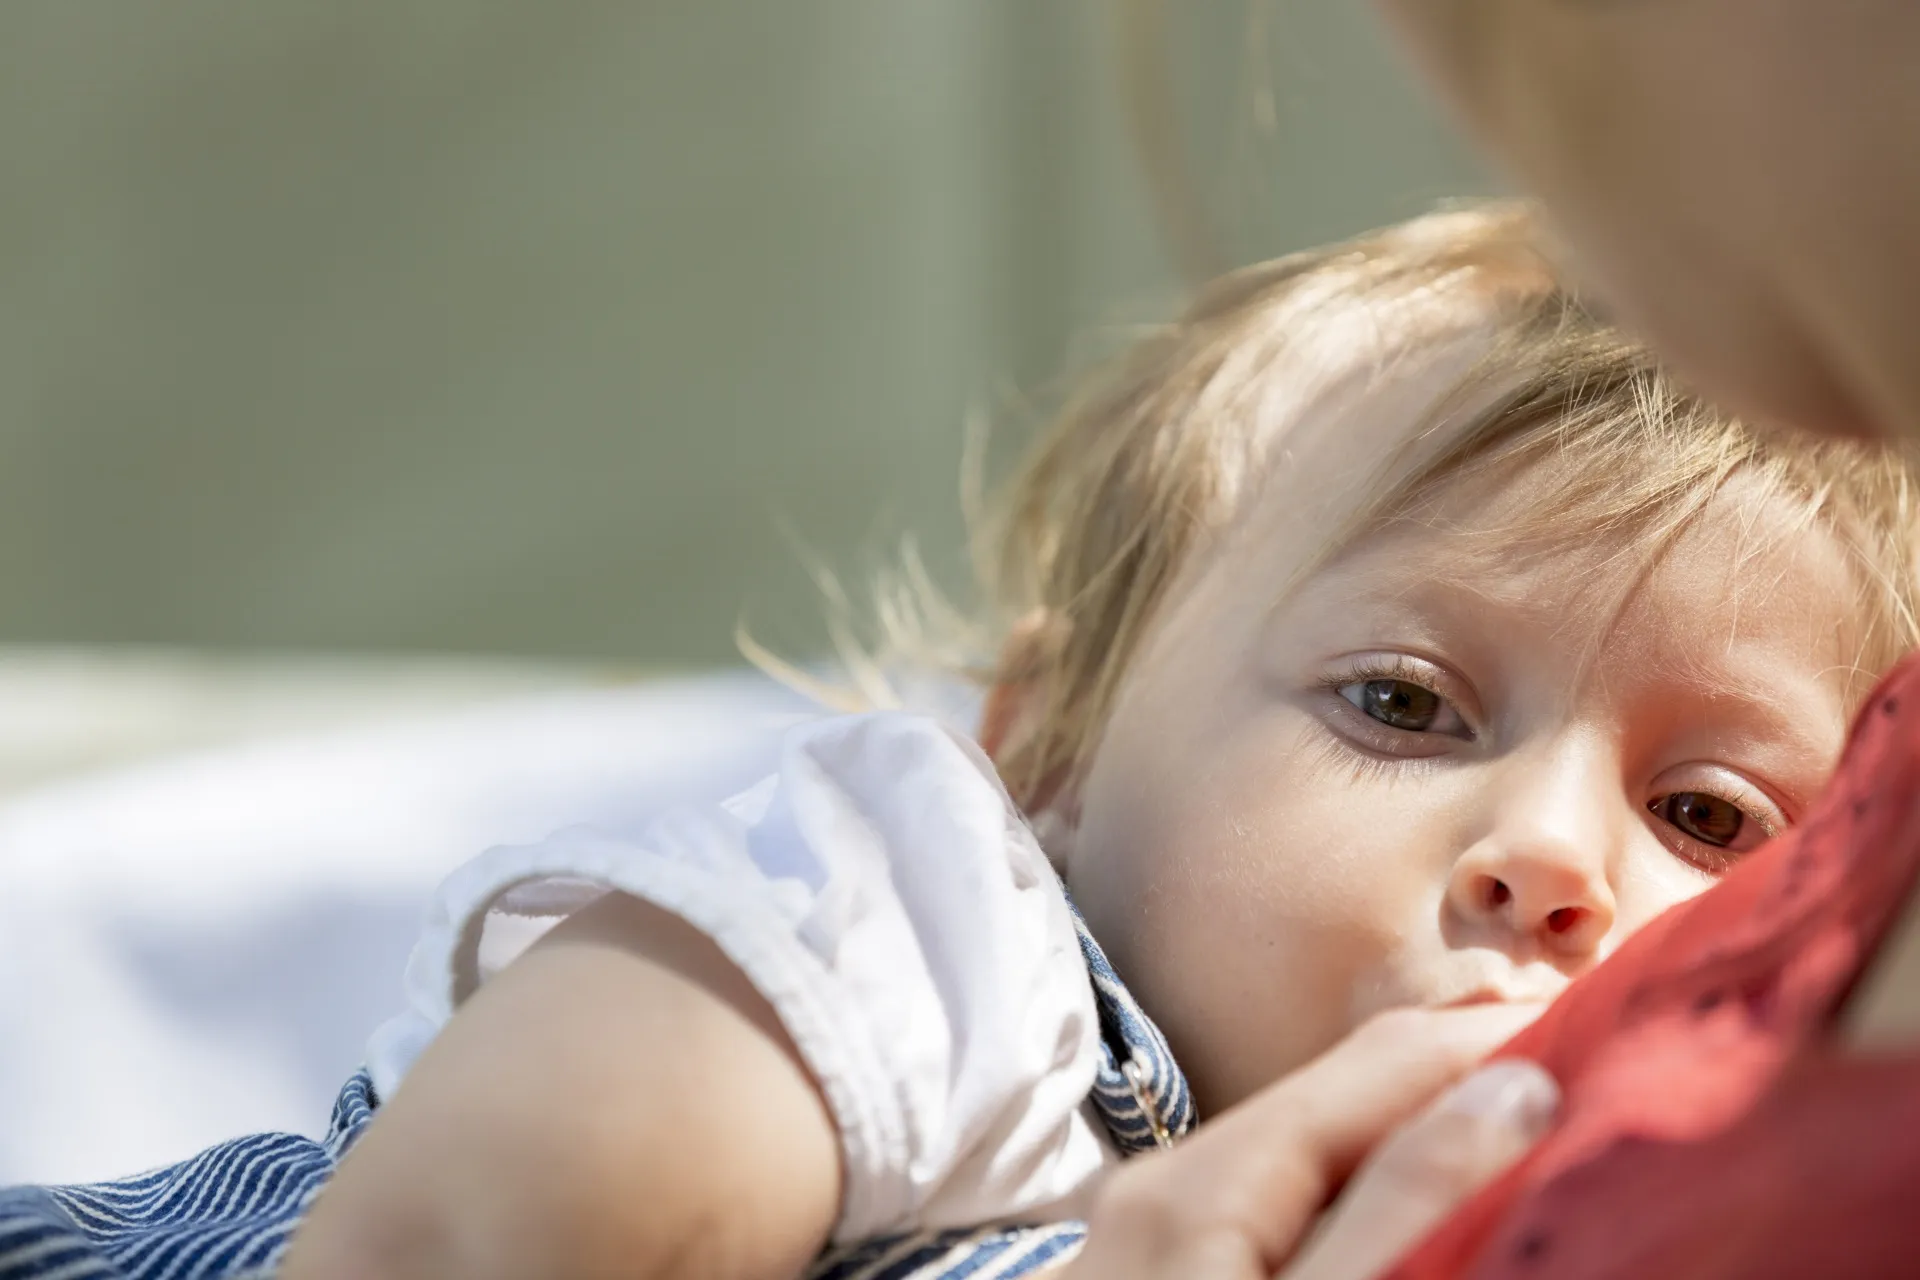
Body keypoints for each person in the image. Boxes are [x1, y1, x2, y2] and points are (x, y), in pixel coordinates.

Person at [263, 202, 1920, 1280]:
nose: (1553, 856)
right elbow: (491, 1217)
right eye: (1403, 704)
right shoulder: (955, 957)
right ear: (1046, 748)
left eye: (1709, 815)